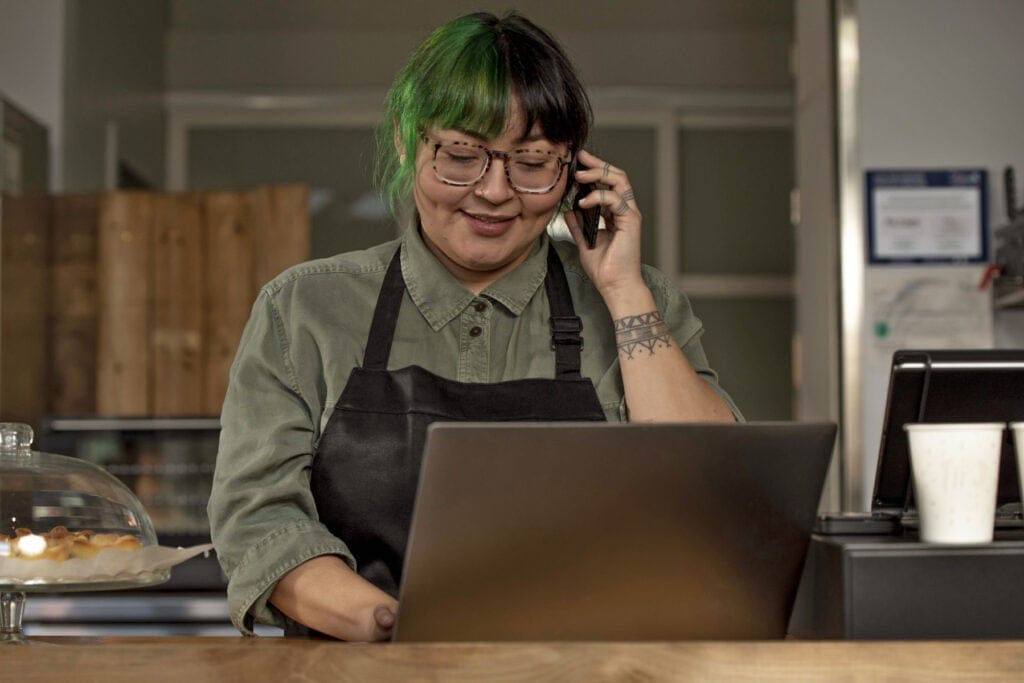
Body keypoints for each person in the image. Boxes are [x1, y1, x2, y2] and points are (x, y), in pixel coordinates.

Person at [208, 10, 742, 642]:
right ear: (410, 143)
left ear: (576, 171)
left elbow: (716, 493)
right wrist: (400, 629)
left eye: (534, 162)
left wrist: (624, 291)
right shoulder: (303, 309)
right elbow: (259, 519)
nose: (493, 191)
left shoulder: (639, 302)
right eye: (461, 155)